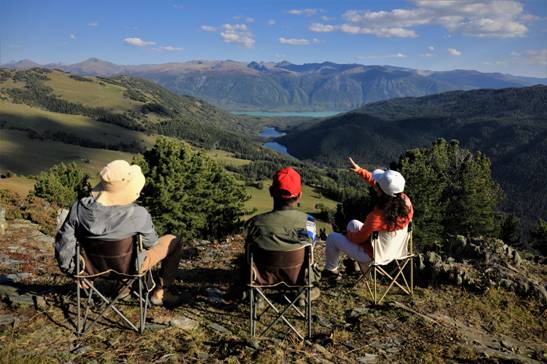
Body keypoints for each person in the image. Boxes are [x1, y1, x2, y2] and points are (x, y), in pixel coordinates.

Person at [55, 160, 183, 307]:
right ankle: (159, 294)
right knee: (174, 240)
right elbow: (150, 243)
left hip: (91, 269)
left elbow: (64, 242)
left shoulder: (79, 209)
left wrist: (75, 271)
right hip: (130, 268)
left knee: (124, 252)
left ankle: (124, 289)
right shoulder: (138, 214)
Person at [323, 157, 413, 278]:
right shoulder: (406, 204)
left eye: (378, 187)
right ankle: (355, 266)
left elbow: (358, 239)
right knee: (353, 223)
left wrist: (347, 234)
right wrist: (360, 170)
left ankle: (331, 271)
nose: (375, 187)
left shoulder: (376, 217)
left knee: (333, 238)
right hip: (396, 251)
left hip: (374, 255)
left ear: (380, 191)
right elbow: (381, 186)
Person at [245, 167, 320, 302]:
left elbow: (248, 251)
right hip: (298, 277)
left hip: (261, 277)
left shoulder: (254, 223)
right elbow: (311, 247)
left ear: (271, 192)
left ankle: (256, 295)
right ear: (299, 196)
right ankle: (303, 294)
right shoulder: (309, 221)